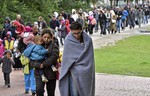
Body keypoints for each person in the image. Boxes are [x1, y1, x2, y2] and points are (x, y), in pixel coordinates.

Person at [59, 21, 95, 96]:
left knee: (85, 92)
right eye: (74, 33)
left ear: (81, 30)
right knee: (74, 93)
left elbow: (89, 58)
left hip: (85, 72)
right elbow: (67, 59)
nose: (76, 36)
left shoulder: (88, 41)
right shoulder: (68, 40)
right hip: (73, 72)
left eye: (78, 33)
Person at [30, 29, 59, 96]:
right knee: (39, 90)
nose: (46, 39)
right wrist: (38, 65)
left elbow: (54, 57)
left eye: (48, 37)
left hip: (50, 73)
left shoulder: (54, 46)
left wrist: (43, 64)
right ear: (41, 37)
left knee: (51, 92)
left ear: (51, 38)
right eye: (44, 37)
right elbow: (31, 60)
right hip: (39, 73)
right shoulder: (36, 46)